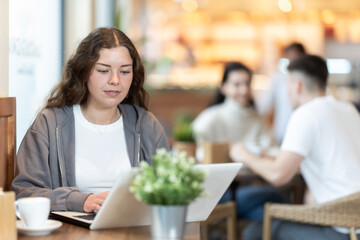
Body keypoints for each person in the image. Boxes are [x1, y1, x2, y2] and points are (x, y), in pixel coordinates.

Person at [12, 27, 169, 213]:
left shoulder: (146, 124)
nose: (115, 80)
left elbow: (168, 189)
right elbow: (24, 193)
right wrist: (80, 201)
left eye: (125, 72)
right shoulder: (50, 124)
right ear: (84, 72)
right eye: (103, 70)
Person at [231, 55, 360, 240]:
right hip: (354, 220)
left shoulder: (305, 114)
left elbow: (278, 175)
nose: (287, 92)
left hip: (342, 229)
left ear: (297, 84)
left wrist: (243, 154)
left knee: (253, 232)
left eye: (287, 85)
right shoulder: (349, 109)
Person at [192, 62, 281, 220]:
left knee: (265, 215)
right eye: (237, 84)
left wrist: (248, 156)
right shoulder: (210, 119)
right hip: (217, 192)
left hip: (246, 188)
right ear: (223, 88)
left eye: (247, 84)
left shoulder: (257, 119)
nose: (244, 90)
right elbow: (196, 153)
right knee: (275, 197)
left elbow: (275, 152)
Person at [257, 43, 306, 144]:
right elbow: (263, 105)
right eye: (288, 59)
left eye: (294, 59)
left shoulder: (309, 79)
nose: (291, 63)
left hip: (305, 132)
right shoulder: (278, 78)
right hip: (282, 133)